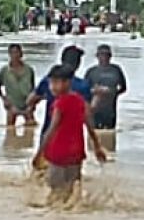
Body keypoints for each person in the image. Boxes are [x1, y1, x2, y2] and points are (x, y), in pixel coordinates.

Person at [33, 64, 107, 205]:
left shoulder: (59, 103)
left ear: (67, 83)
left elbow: (51, 129)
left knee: (55, 192)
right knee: (71, 190)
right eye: (51, 83)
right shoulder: (80, 101)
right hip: (76, 153)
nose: (52, 87)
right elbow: (90, 126)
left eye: (55, 83)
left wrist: (39, 153)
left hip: (58, 153)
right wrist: (97, 147)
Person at [85, 44, 128, 131]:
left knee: (110, 133)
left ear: (110, 56)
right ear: (97, 56)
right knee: (96, 134)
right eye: (101, 54)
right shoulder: (91, 71)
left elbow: (123, 87)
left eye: (106, 55)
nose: (104, 57)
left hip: (110, 110)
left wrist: (113, 93)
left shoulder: (116, 70)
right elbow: (84, 90)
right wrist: (95, 91)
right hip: (95, 110)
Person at [0, 44, 36, 126]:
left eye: (17, 52)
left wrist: (32, 104)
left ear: (21, 54)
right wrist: (4, 100)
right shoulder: (4, 71)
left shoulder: (29, 70)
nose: (15, 55)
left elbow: (33, 89)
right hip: (12, 104)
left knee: (31, 131)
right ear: (9, 54)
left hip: (27, 104)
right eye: (13, 53)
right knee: (9, 130)